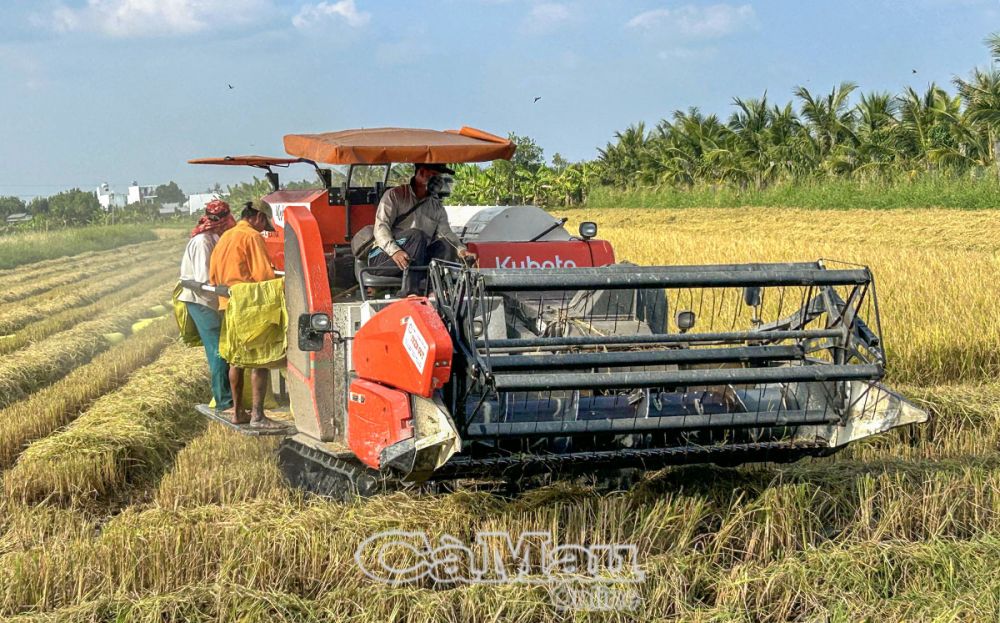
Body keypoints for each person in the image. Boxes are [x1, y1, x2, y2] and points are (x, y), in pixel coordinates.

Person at [209, 199, 284, 430]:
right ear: (259, 217)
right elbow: (264, 276)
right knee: (259, 360)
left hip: (228, 304)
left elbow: (212, 275)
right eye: (264, 224)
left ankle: (238, 412)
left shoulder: (226, 237)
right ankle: (258, 416)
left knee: (236, 359)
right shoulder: (252, 236)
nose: (264, 229)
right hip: (249, 306)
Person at [369, 163, 476, 295]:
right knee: (417, 236)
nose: (438, 181)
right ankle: (410, 292)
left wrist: (461, 250)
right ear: (420, 173)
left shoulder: (436, 207)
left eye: (439, 176)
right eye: (433, 176)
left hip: (416, 259)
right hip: (383, 258)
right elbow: (381, 228)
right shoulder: (394, 196)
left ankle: (434, 290)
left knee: (445, 245)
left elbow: (446, 233)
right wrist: (395, 251)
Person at [178, 198, 236, 412]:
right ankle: (224, 401)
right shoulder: (203, 241)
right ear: (222, 219)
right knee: (219, 350)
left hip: (210, 300)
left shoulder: (214, 237)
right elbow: (204, 281)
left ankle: (230, 396)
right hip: (201, 301)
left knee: (223, 348)